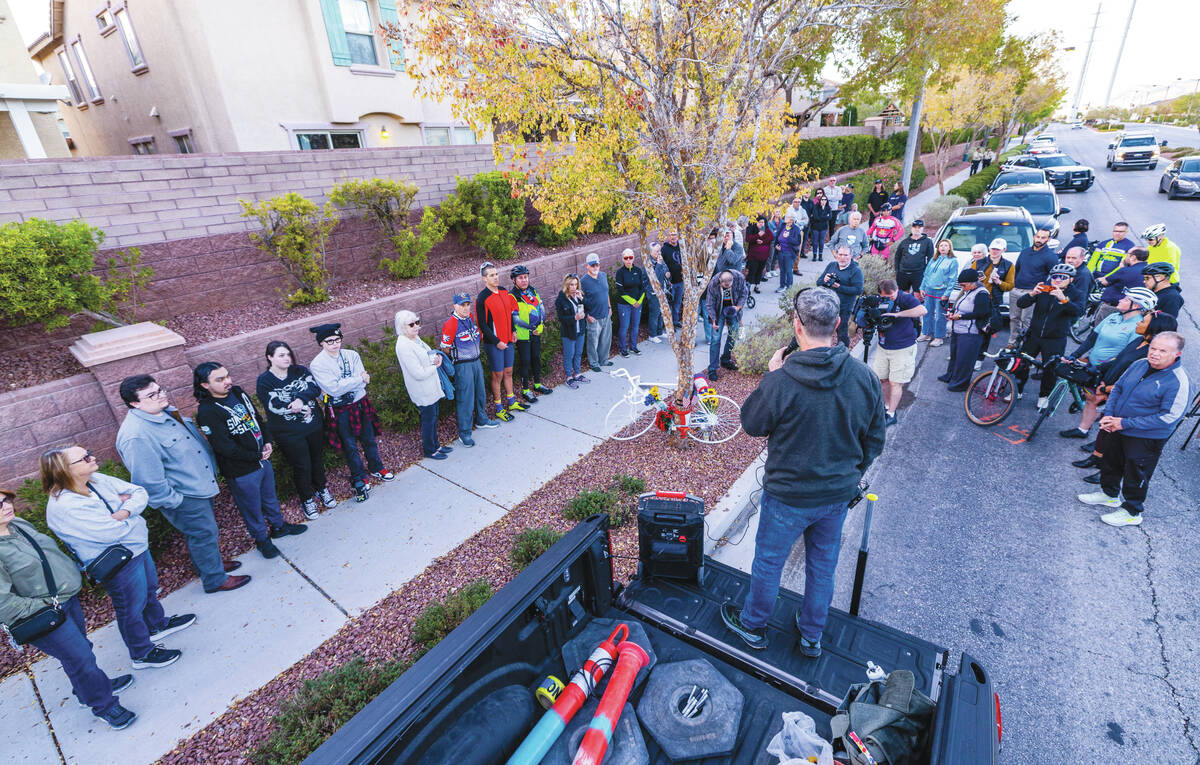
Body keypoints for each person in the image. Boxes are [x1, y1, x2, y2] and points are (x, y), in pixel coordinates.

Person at [719, 287, 886, 655]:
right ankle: (812, 635)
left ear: (797, 326)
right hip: (836, 497)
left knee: (768, 563)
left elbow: (751, 422)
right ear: (838, 325)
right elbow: (875, 441)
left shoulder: (781, 381)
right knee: (822, 567)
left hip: (787, 498)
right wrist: (850, 475)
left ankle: (753, 625)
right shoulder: (864, 377)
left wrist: (771, 377)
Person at [42, 447, 193, 669]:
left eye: (89, 452)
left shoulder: (96, 480)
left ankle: (157, 625)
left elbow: (139, 492)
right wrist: (127, 510)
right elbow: (110, 533)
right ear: (65, 469)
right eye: (84, 458)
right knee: (130, 607)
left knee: (149, 590)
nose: (92, 457)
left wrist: (124, 511)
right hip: (117, 562)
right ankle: (141, 653)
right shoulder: (65, 505)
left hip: (136, 548)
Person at [0, 488, 138, 729]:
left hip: (66, 599)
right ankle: (104, 704)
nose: (6, 506)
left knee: (80, 650)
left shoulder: (17, 524)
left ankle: (89, 688)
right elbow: (3, 603)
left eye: (4, 500)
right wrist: (44, 606)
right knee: (79, 656)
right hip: (43, 613)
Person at [116, 374, 250, 593]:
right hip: (185, 496)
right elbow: (148, 481)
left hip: (198, 486)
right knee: (203, 534)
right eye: (151, 395)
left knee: (204, 534)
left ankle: (209, 565)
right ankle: (215, 579)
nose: (160, 396)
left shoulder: (164, 411)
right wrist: (177, 501)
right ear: (134, 403)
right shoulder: (136, 435)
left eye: (160, 390)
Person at [194, 362, 307, 559]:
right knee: (251, 507)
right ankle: (262, 539)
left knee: (270, 497)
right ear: (205, 385)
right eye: (220, 380)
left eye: (227, 376)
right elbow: (223, 446)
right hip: (241, 470)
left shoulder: (237, 392)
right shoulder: (207, 411)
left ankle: (279, 526)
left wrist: (267, 442)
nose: (228, 381)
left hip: (262, 459)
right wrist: (255, 456)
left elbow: (256, 418)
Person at [1078, 332, 1189, 527]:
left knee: (1136, 473)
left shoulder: (1178, 381)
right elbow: (1119, 388)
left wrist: (1125, 423)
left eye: (1163, 351)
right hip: (1118, 425)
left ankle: (1132, 511)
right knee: (1111, 462)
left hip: (1145, 436)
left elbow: (1169, 416)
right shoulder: (1139, 364)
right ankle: (1109, 494)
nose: (1155, 353)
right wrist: (1109, 415)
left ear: (1177, 354)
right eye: (1153, 348)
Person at [1072, 313, 1179, 483]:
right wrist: (1101, 374)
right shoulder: (1139, 340)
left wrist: (1107, 389)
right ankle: (1096, 458)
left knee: (1115, 439)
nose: (1139, 323)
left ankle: (1105, 471)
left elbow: (1137, 382)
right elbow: (1118, 360)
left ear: (1154, 327)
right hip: (1113, 388)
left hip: (1122, 396)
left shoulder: (1150, 353)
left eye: (1143, 321)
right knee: (1104, 429)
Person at [1060, 289, 1161, 440]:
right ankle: (1083, 430)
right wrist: (1074, 355)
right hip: (1093, 366)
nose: (1120, 300)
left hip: (1110, 371)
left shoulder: (1137, 326)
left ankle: (1100, 442)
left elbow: (1126, 357)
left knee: (1107, 404)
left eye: (1126, 299)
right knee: (1091, 399)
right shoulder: (1113, 316)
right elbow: (1092, 339)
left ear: (1137, 306)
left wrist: (1105, 371)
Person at [309, 323, 393, 502]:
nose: (334, 344)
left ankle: (376, 467)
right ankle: (359, 477)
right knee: (350, 446)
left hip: (360, 403)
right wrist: (357, 379)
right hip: (340, 410)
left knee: (369, 438)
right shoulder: (317, 364)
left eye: (337, 339)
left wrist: (353, 382)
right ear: (321, 343)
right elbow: (333, 389)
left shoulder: (352, 355)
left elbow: (364, 382)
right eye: (329, 341)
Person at [257, 341, 336, 520]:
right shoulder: (265, 381)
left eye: (288, 354)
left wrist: (301, 399)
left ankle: (322, 489)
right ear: (270, 358)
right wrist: (298, 407)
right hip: (288, 432)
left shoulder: (299, 370)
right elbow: (273, 406)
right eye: (281, 355)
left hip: (313, 425)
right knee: (302, 466)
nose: (287, 358)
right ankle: (307, 498)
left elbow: (314, 387)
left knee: (317, 459)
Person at [1011, 263, 1081, 408]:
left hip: (1055, 338)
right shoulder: (1044, 289)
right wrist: (1032, 294)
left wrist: (1064, 300)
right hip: (1034, 334)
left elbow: (1077, 312)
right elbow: (1020, 303)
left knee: (1051, 368)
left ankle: (1044, 396)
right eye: (1054, 276)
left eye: (1062, 277)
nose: (1057, 280)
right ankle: (1017, 390)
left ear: (1071, 279)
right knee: (1023, 363)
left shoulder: (1076, 293)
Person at [440, 292, 501, 447]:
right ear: (455, 306)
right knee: (465, 399)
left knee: (480, 393)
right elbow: (445, 348)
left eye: (467, 304)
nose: (466, 308)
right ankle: (465, 432)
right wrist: (455, 361)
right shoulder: (451, 323)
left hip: (476, 362)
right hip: (463, 365)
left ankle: (481, 419)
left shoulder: (470, 318)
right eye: (462, 305)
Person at [394, 309, 452, 461]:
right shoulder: (404, 345)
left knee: (433, 417)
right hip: (422, 389)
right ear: (402, 327)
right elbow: (417, 373)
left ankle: (436, 445)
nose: (415, 326)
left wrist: (436, 358)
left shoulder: (415, 339)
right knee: (428, 420)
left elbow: (427, 354)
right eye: (411, 324)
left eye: (417, 322)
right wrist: (436, 366)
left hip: (431, 386)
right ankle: (429, 449)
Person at [869, 279, 926, 425]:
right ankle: (886, 407)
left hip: (902, 348)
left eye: (892, 296)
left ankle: (891, 414)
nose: (888, 299)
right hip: (884, 346)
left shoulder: (905, 298)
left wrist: (897, 315)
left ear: (897, 289)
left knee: (895, 382)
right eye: (885, 297)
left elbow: (922, 310)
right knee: (883, 380)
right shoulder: (879, 299)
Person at [476, 261, 527, 418]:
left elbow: (510, 314)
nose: (495, 277)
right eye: (491, 275)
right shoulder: (482, 298)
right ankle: (499, 408)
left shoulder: (504, 291)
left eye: (496, 274)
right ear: (484, 279)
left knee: (509, 371)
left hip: (508, 340)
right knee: (497, 375)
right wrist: (496, 341)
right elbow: (482, 325)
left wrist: (513, 331)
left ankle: (511, 402)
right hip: (494, 343)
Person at [938, 269, 992, 391]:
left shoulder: (982, 293)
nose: (962, 288)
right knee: (955, 355)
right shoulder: (968, 291)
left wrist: (960, 316)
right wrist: (952, 312)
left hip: (971, 332)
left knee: (965, 359)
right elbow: (960, 305)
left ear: (973, 282)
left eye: (964, 285)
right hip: (958, 329)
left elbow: (981, 313)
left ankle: (960, 383)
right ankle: (951, 375)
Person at [511, 264, 553, 402]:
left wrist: (541, 324)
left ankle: (537, 384)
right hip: (523, 335)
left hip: (536, 332)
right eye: (520, 278)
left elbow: (541, 308)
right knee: (525, 361)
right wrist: (531, 327)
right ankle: (525, 390)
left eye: (526, 277)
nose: (524, 280)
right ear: (514, 280)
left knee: (536, 358)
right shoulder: (512, 296)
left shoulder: (533, 291)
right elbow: (515, 319)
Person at [1009, 227, 1058, 337]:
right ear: (1034, 237)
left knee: (1026, 320)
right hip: (1016, 290)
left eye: (1043, 238)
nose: (1039, 240)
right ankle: (1012, 343)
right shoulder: (1024, 252)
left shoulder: (1050, 257)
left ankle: (1025, 346)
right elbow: (1017, 270)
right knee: (1013, 319)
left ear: (1049, 239)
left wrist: (1041, 291)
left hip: (1032, 292)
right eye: (1038, 237)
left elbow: (1053, 278)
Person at [972, 240, 1015, 363]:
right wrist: (976, 279)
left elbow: (1010, 286)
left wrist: (999, 282)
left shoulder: (1008, 265)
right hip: (976, 298)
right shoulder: (979, 262)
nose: (994, 251)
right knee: (970, 328)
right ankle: (965, 353)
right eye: (992, 249)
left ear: (1004, 250)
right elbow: (968, 277)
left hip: (992, 302)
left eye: (998, 249)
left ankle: (979, 359)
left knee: (985, 330)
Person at [704, 269, 747, 379]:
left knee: (733, 335)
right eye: (724, 286)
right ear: (720, 280)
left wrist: (737, 307)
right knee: (715, 339)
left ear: (733, 280)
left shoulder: (739, 278)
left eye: (729, 285)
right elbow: (709, 304)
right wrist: (713, 320)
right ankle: (712, 369)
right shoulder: (713, 283)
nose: (727, 287)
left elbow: (744, 294)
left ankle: (725, 359)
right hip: (718, 311)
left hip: (733, 309)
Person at [818, 247, 864, 347]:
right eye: (840, 254)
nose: (842, 258)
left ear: (851, 256)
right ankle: (822, 351)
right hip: (828, 304)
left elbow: (858, 290)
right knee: (822, 331)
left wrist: (839, 287)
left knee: (842, 332)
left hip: (844, 307)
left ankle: (843, 353)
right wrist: (824, 280)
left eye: (845, 255)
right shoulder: (832, 265)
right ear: (836, 255)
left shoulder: (856, 271)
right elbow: (819, 283)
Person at [918, 239, 960, 347]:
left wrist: (947, 293)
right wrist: (922, 287)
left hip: (942, 291)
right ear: (938, 247)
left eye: (946, 245)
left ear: (949, 248)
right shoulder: (933, 259)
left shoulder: (953, 261)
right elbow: (926, 274)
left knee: (940, 315)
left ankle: (939, 337)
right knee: (927, 312)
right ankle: (926, 333)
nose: (943, 247)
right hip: (929, 289)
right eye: (941, 245)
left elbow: (952, 279)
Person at [1094, 247, 1149, 324]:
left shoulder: (1126, 270)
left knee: (1099, 329)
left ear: (1133, 257)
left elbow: (1105, 281)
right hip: (1134, 311)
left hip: (1112, 307)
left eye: (1128, 253)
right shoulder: (1148, 271)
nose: (1125, 255)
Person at [581, 253, 615, 371]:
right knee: (593, 342)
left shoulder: (603, 276)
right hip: (593, 317)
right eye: (593, 265)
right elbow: (580, 301)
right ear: (587, 266)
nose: (595, 267)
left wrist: (610, 307)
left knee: (606, 339)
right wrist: (586, 316)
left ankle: (604, 360)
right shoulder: (583, 281)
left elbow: (606, 293)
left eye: (597, 265)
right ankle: (594, 363)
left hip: (606, 314)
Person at [556, 274, 589, 388]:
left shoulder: (579, 296)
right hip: (569, 332)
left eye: (576, 284)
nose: (574, 287)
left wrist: (582, 299)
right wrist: (574, 318)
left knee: (578, 353)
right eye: (571, 284)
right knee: (569, 354)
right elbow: (561, 318)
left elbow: (589, 308)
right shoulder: (561, 299)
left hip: (580, 330)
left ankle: (578, 374)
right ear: (567, 285)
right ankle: (569, 376)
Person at [613, 248, 647, 357]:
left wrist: (639, 301)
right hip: (624, 305)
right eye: (626, 258)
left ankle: (633, 347)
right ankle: (623, 349)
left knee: (635, 326)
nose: (628, 260)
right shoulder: (620, 273)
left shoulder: (638, 270)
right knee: (624, 327)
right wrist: (633, 302)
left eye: (630, 257)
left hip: (637, 304)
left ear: (633, 258)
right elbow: (621, 291)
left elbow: (643, 287)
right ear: (622, 259)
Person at [893, 219, 934, 292]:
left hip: (919, 273)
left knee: (918, 295)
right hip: (903, 273)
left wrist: (926, 271)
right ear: (912, 228)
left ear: (922, 228)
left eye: (919, 227)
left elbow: (931, 258)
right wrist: (897, 271)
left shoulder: (927, 242)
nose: (917, 229)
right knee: (904, 296)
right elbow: (897, 257)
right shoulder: (904, 242)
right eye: (915, 227)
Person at [644, 242, 669, 342]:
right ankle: (652, 335)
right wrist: (659, 265)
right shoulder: (648, 263)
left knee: (661, 313)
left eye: (660, 250)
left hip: (662, 290)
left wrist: (667, 273)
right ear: (650, 252)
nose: (659, 253)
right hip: (653, 292)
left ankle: (659, 332)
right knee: (654, 313)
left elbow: (666, 269)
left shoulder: (660, 259)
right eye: (657, 251)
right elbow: (655, 278)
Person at [660, 232, 685, 324]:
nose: (673, 237)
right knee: (669, 304)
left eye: (675, 234)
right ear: (668, 236)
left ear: (678, 236)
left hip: (681, 280)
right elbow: (662, 265)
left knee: (677, 303)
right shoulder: (664, 249)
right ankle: (669, 325)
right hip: (670, 283)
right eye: (670, 235)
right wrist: (666, 278)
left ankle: (675, 321)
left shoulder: (681, 246)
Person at [775, 212, 803, 293]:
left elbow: (797, 242)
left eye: (786, 217)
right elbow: (777, 237)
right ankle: (782, 286)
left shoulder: (796, 229)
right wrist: (776, 245)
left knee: (788, 270)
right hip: (781, 252)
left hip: (789, 253)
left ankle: (789, 287)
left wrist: (789, 237)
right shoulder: (783, 226)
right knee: (782, 270)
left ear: (791, 219)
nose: (784, 218)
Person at [1063, 246, 1095, 316]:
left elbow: (1080, 299)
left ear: (1082, 258)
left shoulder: (1083, 276)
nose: (1070, 260)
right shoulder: (1069, 269)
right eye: (1068, 257)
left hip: (1069, 312)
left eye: (1074, 258)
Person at [745, 217, 773, 292]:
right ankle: (748, 287)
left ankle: (757, 286)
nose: (762, 224)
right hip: (754, 256)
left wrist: (762, 242)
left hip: (763, 256)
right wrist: (757, 236)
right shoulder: (751, 229)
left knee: (759, 271)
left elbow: (771, 237)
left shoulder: (766, 229)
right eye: (760, 222)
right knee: (752, 271)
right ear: (756, 222)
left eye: (763, 222)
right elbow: (748, 238)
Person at [808, 192, 833, 262]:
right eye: (822, 199)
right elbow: (815, 217)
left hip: (824, 227)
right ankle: (814, 255)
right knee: (815, 241)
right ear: (820, 200)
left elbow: (830, 217)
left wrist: (821, 217)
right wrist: (825, 216)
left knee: (821, 241)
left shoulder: (828, 208)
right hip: (815, 227)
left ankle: (820, 255)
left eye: (825, 200)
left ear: (826, 201)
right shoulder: (816, 207)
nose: (823, 201)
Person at [765, 209, 783, 278]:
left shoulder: (782, 222)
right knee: (770, 256)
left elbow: (783, 232)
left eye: (779, 212)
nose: (778, 213)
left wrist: (776, 232)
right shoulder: (770, 223)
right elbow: (772, 234)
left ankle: (773, 270)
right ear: (773, 213)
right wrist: (778, 232)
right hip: (772, 242)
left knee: (776, 257)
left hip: (779, 242)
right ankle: (768, 271)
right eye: (776, 212)